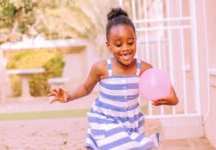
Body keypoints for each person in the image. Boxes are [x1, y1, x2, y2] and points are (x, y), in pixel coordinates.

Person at [49, 8, 179, 150]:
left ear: (135, 40)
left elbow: (165, 88)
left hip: (131, 123)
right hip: (106, 120)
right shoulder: (102, 68)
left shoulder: (143, 68)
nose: (125, 48)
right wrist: (68, 96)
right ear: (108, 45)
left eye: (130, 42)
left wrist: (173, 99)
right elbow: (86, 88)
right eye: (118, 44)